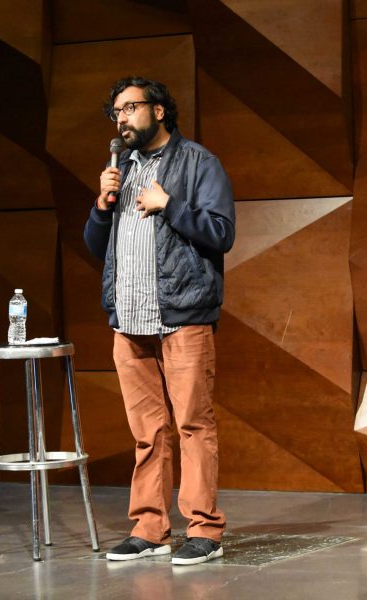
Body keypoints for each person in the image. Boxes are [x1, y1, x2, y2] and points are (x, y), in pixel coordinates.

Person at [84, 76, 235, 566]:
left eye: (130, 108)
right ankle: (150, 529)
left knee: (192, 424)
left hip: (182, 316)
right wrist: (102, 206)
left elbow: (221, 231)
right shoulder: (121, 169)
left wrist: (170, 205)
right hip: (129, 319)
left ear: (159, 111)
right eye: (116, 113)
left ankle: (204, 530)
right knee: (148, 432)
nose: (122, 119)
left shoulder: (198, 163)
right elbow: (94, 247)